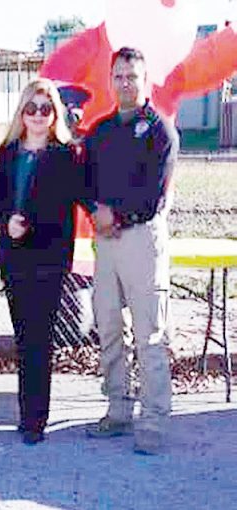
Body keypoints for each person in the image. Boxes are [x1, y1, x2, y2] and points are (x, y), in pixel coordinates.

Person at [83, 47, 178, 456]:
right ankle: (118, 410)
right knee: (108, 328)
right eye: (119, 76)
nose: (125, 83)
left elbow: (153, 195)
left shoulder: (160, 131)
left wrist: (116, 215)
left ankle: (153, 421)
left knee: (148, 335)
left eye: (132, 76)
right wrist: (95, 212)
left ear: (145, 80)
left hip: (141, 239)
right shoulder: (101, 131)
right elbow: (84, 180)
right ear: (111, 80)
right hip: (105, 243)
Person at [0, 78, 84, 444]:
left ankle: (35, 420)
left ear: (55, 114)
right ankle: (26, 413)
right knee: (24, 337)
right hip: (14, 259)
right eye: (31, 108)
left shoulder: (66, 155)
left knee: (41, 339)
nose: (38, 115)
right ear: (21, 113)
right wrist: (4, 221)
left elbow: (73, 202)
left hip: (49, 259)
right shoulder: (8, 152)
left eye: (46, 109)